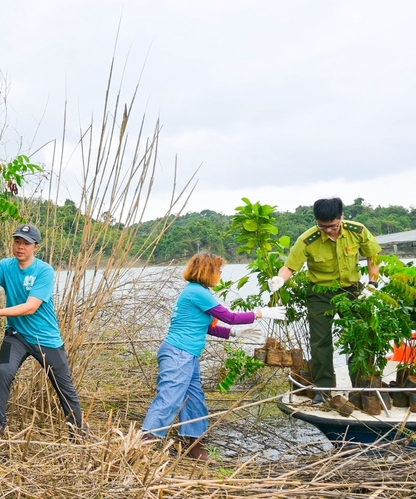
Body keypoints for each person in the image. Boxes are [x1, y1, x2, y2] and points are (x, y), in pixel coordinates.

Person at [140, 252, 284, 460]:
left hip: (187, 355)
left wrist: (234, 333)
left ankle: (196, 445)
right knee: (170, 398)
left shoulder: (197, 291)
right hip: (179, 353)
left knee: (195, 400)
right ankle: (143, 444)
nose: (220, 275)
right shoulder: (197, 292)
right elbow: (230, 317)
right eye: (218, 271)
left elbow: (207, 327)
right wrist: (260, 313)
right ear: (208, 271)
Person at [0, 224, 85, 441]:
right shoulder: (6, 265)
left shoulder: (44, 271)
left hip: (47, 338)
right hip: (17, 334)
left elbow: (31, 306)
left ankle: (78, 432)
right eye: (17, 241)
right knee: (4, 372)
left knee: (64, 387)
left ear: (36, 247)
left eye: (26, 243)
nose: (20, 247)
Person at [268, 197, 381, 401]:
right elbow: (290, 266)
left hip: (351, 291)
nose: (328, 230)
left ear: (341, 218)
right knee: (320, 341)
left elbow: (374, 257)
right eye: (323, 226)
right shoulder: (308, 239)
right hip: (320, 294)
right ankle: (324, 388)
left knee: (359, 337)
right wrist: (279, 279)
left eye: (332, 226)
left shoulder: (358, 231)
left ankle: (362, 386)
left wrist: (373, 284)